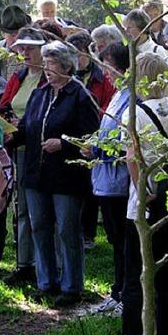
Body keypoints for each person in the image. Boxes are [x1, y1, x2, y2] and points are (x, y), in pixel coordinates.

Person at [16, 41, 99, 307]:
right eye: (45, 63)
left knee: (66, 229)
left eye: (51, 64)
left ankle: (72, 286)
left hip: (66, 175)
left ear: (66, 66)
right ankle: (46, 282)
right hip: (36, 172)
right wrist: (9, 133)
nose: (46, 69)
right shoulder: (39, 94)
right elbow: (26, 125)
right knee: (39, 226)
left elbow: (91, 137)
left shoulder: (79, 95)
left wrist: (63, 143)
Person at [120, 52, 168, 335]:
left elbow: (132, 158)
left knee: (137, 273)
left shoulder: (134, 113)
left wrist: (141, 192)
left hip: (145, 200)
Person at [83, 42, 131, 316]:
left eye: (108, 66)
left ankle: (126, 295)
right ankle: (118, 291)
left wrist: (97, 148)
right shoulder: (118, 93)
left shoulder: (133, 96)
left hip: (119, 181)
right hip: (105, 179)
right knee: (116, 241)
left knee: (124, 241)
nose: (106, 72)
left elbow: (125, 139)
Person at [0, 27, 47, 286]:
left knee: (38, 212)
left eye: (30, 48)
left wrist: (25, 123)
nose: (24, 53)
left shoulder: (50, 78)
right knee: (22, 210)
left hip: (40, 152)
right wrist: (7, 118)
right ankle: (24, 263)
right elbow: (5, 103)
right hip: (18, 149)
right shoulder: (19, 76)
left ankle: (42, 265)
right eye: (21, 48)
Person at [66, 31, 115, 250]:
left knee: (89, 187)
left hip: (94, 132)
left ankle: (88, 233)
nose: (76, 60)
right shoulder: (68, 77)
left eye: (80, 55)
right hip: (70, 134)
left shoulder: (102, 77)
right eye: (72, 56)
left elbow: (108, 105)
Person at [0, 4, 32, 80]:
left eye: (21, 33)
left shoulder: (36, 51)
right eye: (13, 35)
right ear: (3, 34)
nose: (17, 39)